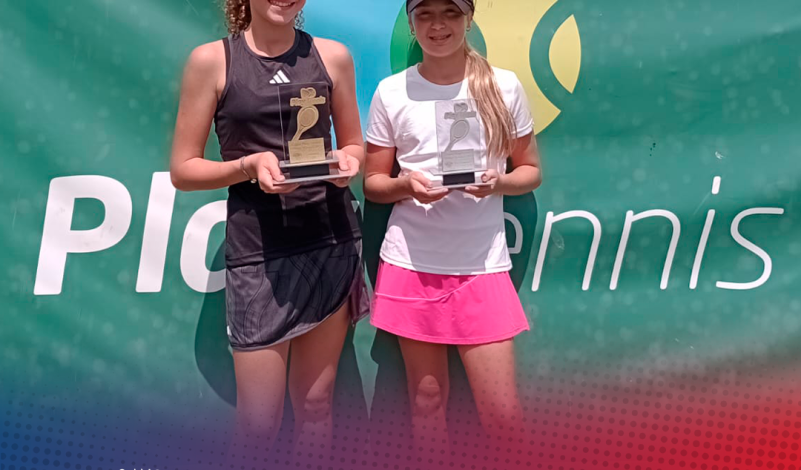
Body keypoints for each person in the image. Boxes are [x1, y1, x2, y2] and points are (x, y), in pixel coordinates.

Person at [169, 0, 367, 463]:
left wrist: (348, 162)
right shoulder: (211, 61)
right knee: (259, 424)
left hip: (331, 244)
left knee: (316, 407)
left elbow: (354, 144)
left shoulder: (334, 56)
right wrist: (248, 166)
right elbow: (183, 169)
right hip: (258, 255)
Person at [363, 0, 542, 462]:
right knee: (426, 403)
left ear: (469, 18)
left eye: (450, 12)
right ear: (410, 22)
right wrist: (405, 186)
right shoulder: (390, 92)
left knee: (503, 415)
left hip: (482, 266)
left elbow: (530, 171)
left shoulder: (504, 85)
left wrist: (499, 183)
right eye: (424, 14)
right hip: (411, 266)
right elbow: (374, 184)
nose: (437, 25)